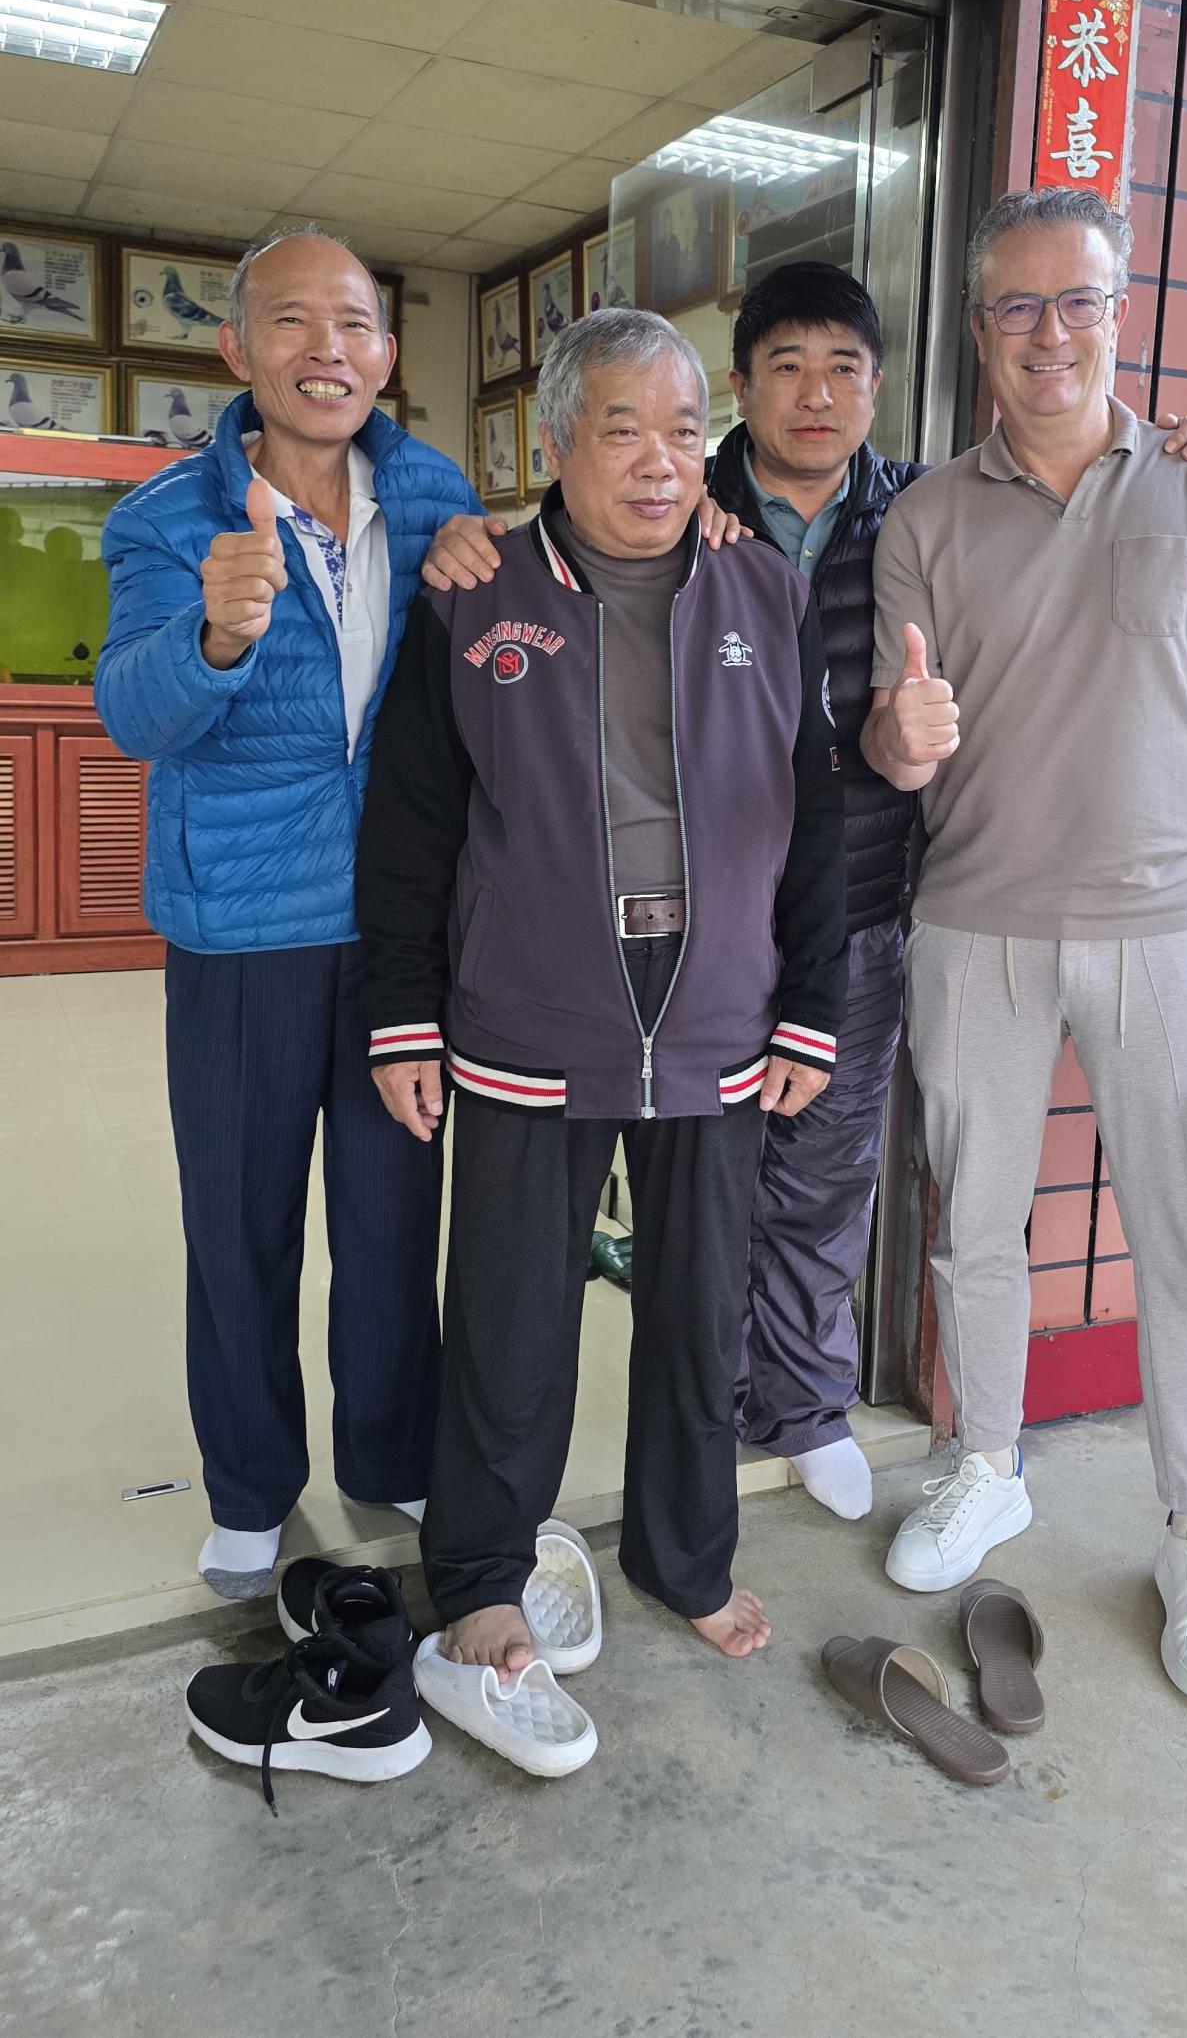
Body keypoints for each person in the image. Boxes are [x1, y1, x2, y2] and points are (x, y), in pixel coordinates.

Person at [706, 260, 1187, 1523]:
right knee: (703, 1183)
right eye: (786, 367)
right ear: (740, 387)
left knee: (829, 1177)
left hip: (860, 906)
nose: (816, 393)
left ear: (879, 385)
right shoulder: (688, 510)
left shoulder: (909, 506)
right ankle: (702, 1413)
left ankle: (805, 1404)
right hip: (710, 913)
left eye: (843, 368)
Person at [357, 306, 847, 1693]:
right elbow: (413, 819)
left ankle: (683, 1558)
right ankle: (481, 1571)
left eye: (684, 431)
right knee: (508, 1318)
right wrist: (403, 1009)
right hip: (531, 1005)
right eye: (621, 430)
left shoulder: (764, 590)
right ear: (557, 442)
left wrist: (810, 1005)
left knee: (698, 1314)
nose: (657, 461)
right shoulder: (473, 592)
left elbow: (815, 817)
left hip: (717, 1008)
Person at [863, 185, 1187, 1708]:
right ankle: (987, 1464)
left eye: (1079, 301)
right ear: (978, 327)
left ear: (1118, 310)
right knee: (971, 1222)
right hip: (971, 920)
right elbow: (894, 748)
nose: (1050, 333)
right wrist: (901, 738)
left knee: (1185, 1243)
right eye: (1017, 305)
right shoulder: (922, 516)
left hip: (1168, 927)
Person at [95, 225, 501, 1600]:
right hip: (239, 933)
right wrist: (214, 634)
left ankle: (388, 1450)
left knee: (390, 1219)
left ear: (386, 352)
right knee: (241, 1227)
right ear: (237, 348)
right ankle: (251, 1485)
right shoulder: (167, 517)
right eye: (291, 320)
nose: (327, 349)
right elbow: (132, 711)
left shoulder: (433, 491)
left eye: (355, 323)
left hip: (398, 934)